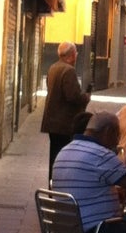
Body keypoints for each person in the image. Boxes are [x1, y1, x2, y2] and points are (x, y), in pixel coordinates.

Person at [41, 41, 91, 181]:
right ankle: (59, 184)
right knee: (62, 156)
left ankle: (52, 184)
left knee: (54, 155)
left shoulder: (53, 67)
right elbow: (72, 96)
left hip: (52, 122)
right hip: (64, 123)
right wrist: (85, 97)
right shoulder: (68, 70)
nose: (76, 57)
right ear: (70, 55)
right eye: (75, 54)